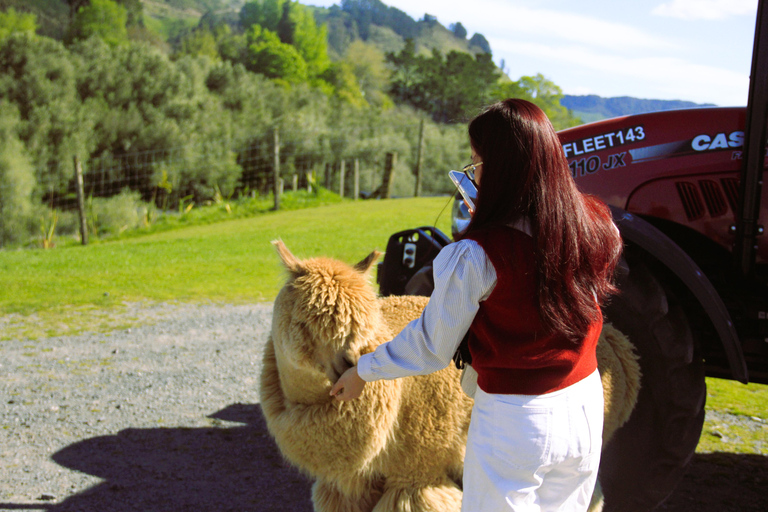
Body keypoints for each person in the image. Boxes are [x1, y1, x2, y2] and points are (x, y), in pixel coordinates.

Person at [331, 98, 623, 511]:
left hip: (517, 420)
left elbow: (432, 347)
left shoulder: (476, 255)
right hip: (583, 403)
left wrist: (365, 369)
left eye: (476, 163)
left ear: (501, 171)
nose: (473, 174)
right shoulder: (596, 224)